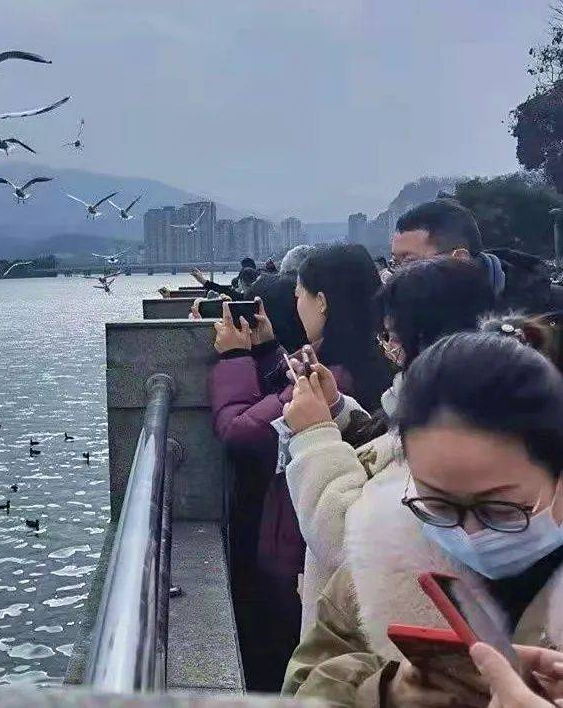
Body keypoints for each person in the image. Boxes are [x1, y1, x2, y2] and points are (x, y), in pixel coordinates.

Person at [283, 332, 563, 706]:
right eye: (439, 505)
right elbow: (301, 690)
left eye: (499, 510)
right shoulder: (375, 564)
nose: (469, 532)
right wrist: (385, 692)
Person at [280, 257, 497, 634]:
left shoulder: (453, 431)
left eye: (393, 338)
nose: (387, 351)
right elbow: (385, 453)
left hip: (377, 661)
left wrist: (315, 436)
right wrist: (337, 411)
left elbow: (348, 539)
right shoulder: (460, 399)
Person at [209, 243, 390, 690]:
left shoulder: (329, 378)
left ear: (321, 302)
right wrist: (270, 349)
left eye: (300, 297)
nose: (297, 305)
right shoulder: (371, 362)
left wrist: (233, 359)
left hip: (302, 550)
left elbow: (240, 431)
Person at [392, 198, 563, 314]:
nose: (396, 277)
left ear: (459, 260)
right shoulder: (406, 322)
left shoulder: (551, 311)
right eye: (395, 264)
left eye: (409, 263)